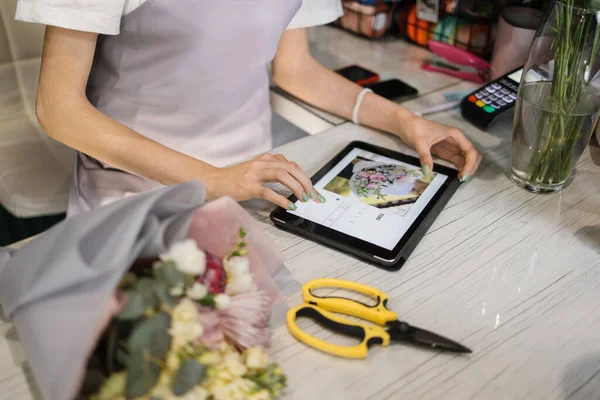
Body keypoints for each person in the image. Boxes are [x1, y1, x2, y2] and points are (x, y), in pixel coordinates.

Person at [16, 0, 482, 216]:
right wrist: (213, 180)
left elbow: (294, 69)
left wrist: (405, 121)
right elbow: (59, 108)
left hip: (255, 187)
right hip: (134, 196)